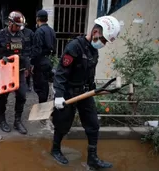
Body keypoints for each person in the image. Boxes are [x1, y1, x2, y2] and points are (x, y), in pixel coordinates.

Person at [51, 16, 121, 169]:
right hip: (68, 92)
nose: (103, 44)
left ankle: (92, 158)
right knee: (63, 124)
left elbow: (90, 73)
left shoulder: (93, 50)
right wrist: (59, 96)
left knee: (93, 124)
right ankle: (55, 150)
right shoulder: (74, 47)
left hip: (85, 92)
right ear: (95, 32)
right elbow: (61, 74)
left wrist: (94, 89)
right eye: (102, 40)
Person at [0, 11, 29, 134]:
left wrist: (28, 66)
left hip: (19, 71)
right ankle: (2, 119)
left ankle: (17, 121)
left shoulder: (22, 36)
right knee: (2, 97)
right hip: (4, 72)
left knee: (22, 95)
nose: (19, 28)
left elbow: (26, 52)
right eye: (17, 25)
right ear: (10, 23)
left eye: (20, 26)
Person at [30, 10, 56, 104]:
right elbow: (54, 48)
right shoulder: (52, 31)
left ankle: (42, 108)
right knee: (45, 85)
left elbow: (37, 50)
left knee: (40, 87)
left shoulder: (39, 31)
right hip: (48, 61)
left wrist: (32, 63)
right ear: (47, 19)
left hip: (40, 62)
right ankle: (44, 105)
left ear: (37, 19)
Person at [20, 16, 34, 91]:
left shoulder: (30, 32)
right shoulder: (14, 32)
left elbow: (34, 44)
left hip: (27, 55)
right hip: (18, 55)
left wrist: (31, 55)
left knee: (27, 71)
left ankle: (28, 85)